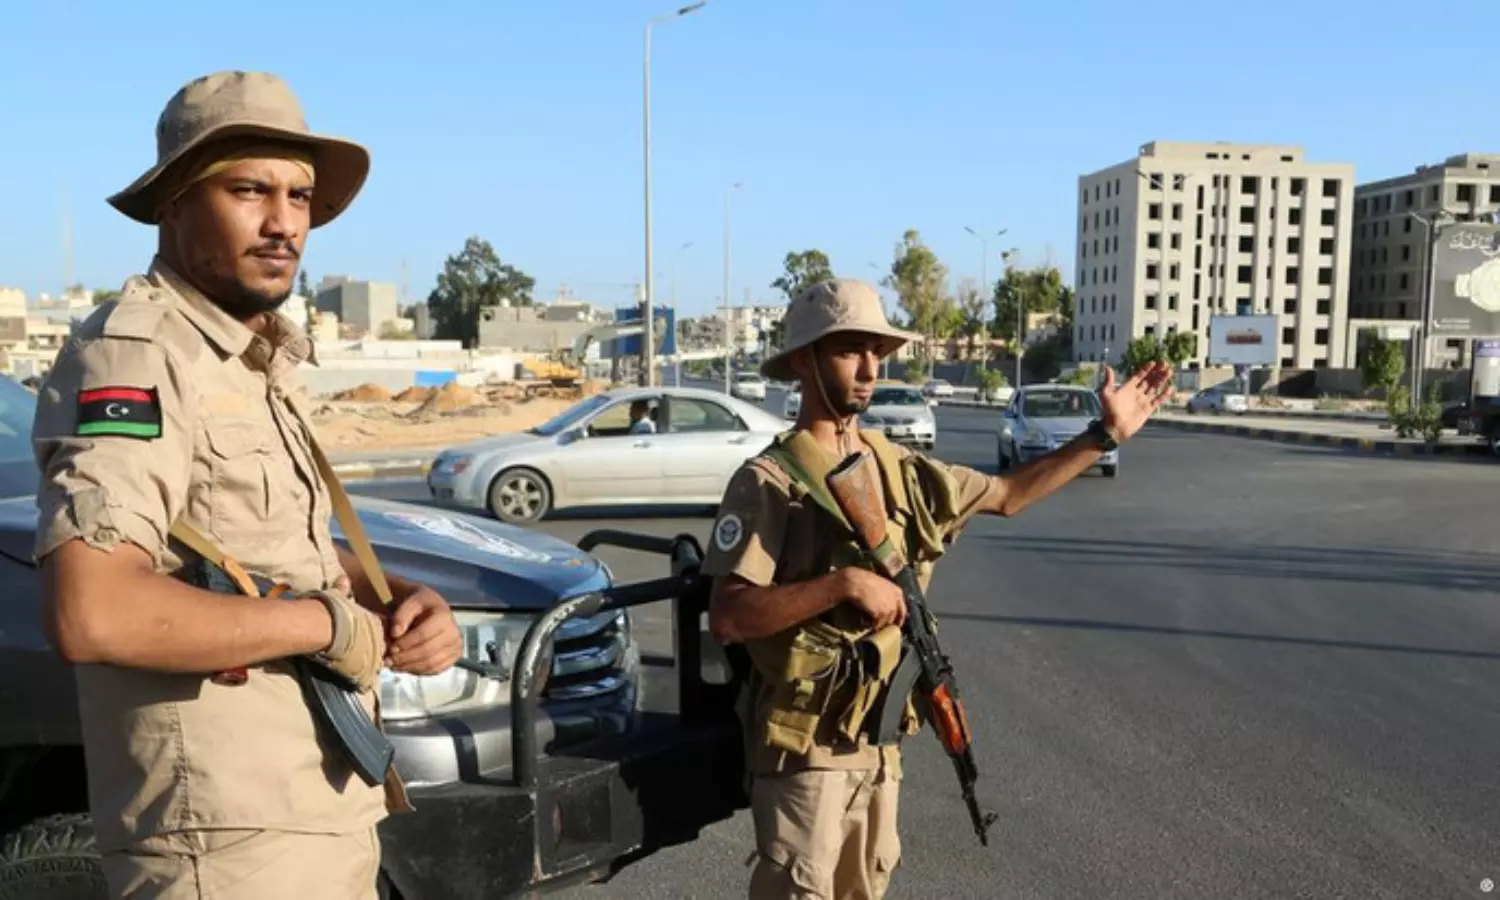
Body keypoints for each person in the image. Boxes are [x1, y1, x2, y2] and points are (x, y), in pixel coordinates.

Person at [32, 70, 463, 899]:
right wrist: (326, 625)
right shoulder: (138, 353)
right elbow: (94, 610)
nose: (284, 223)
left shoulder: (245, 358)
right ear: (173, 203)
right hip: (225, 840)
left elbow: (260, 549)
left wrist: (396, 597)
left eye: (298, 197)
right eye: (248, 191)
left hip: (313, 806)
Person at [702, 278, 1170, 899]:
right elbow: (729, 616)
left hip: (878, 747)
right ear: (803, 362)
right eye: (849, 350)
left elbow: (1007, 495)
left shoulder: (900, 469)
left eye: (877, 351)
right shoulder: (768, 483)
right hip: (805, 751)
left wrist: (1102, 436)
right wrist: (842, 585)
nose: (870, 369)